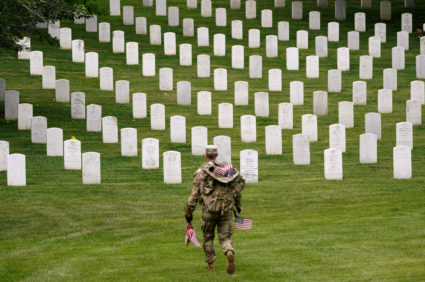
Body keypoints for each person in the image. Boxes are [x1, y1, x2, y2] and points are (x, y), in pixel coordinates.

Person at [185, 145, 245, 274]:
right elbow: (237, 190)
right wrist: (237, 207)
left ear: (206, 155)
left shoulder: (201, 172)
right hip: (226, 208)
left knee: (208, 236)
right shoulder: (227, 171)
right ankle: (228, 251)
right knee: (225, 236)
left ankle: (211, 262)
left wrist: (189, 210)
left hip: (209, 210)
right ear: (216, 155)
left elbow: (195, 194)